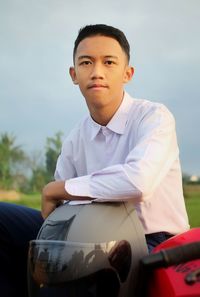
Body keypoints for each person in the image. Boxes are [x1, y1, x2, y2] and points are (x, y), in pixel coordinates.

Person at [0, 24, 189, 297]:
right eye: (86, 62)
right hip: (85, 231)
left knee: (70, 273)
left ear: (127, 73)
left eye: (109, 62)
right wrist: (57, 216)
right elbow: (60, 209)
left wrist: (59, 188)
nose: (97, 72)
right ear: (74, 74)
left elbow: (138, 182)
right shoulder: (76, 137)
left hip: (150, 239)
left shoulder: (154, 117)